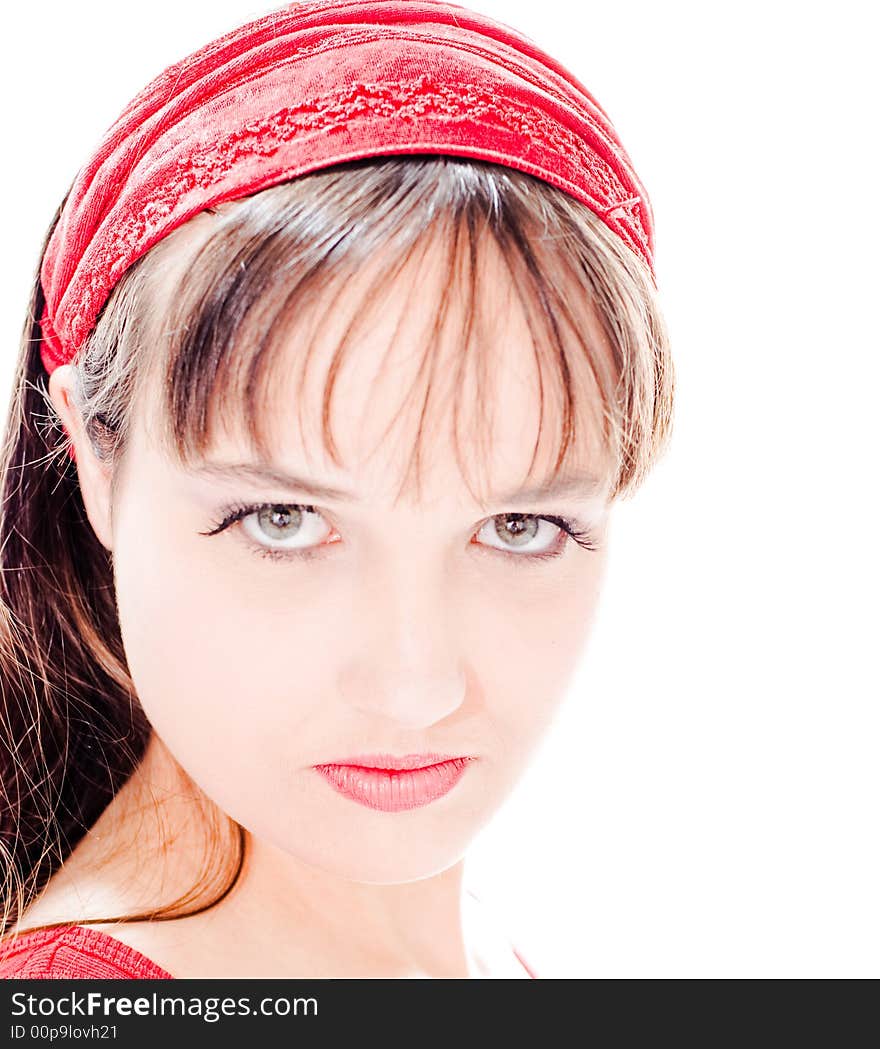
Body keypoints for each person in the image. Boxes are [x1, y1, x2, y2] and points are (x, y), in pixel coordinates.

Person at [0, 0, 673, 979]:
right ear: (96, 457)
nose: (414, 689)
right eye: (285, 519)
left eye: (520, 523)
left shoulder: (467, 950)